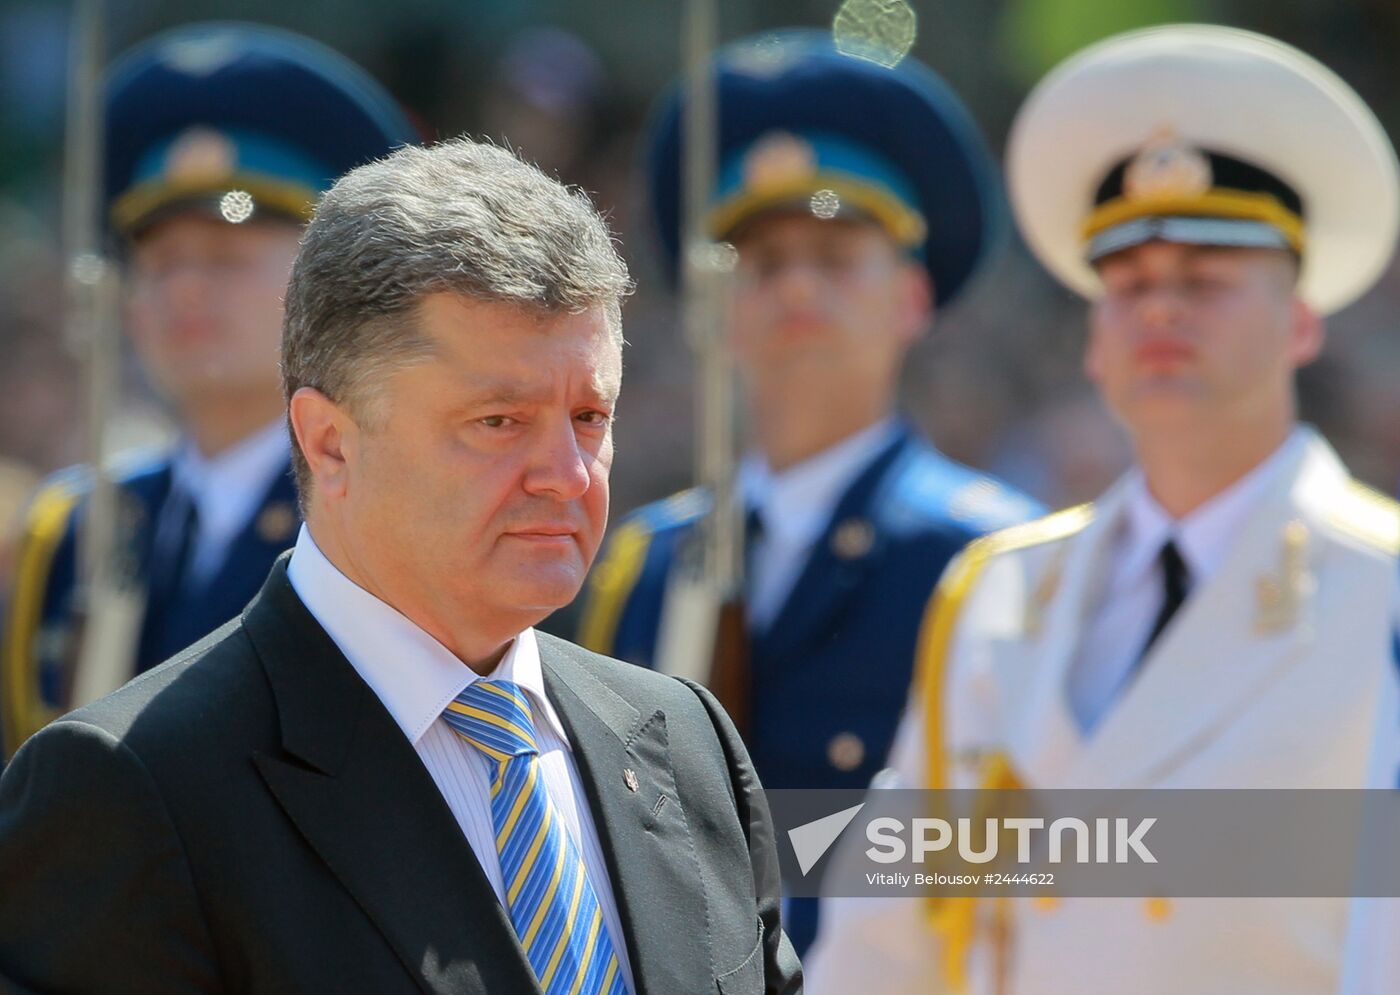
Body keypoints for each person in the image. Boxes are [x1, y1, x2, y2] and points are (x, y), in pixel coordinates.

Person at [0, 135, 801, 994]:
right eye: (498, 420)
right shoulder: (132, 786)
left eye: (589, 416)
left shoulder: (685, 741)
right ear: (330, 442)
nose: (568, 473)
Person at [806, 24, 1400, 994]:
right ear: (1091, 341)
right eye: (1125, 284)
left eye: (1203, 280)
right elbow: (884, 940)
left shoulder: (1378, 591)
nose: (1159, 309)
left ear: (1299, 320)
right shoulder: (994, 591)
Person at [576, 31, 1040, 954]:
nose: (794, 287)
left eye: (835, 258)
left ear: (911, 296)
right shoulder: (644, 560)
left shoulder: (994, 558)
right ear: (714, 305)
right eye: (761, 259)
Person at [1, 23, 420, 758]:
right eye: (159, 261)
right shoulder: (73, 532)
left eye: (226, 257)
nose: (185, 288)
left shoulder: (389, 518)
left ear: (329, 290)